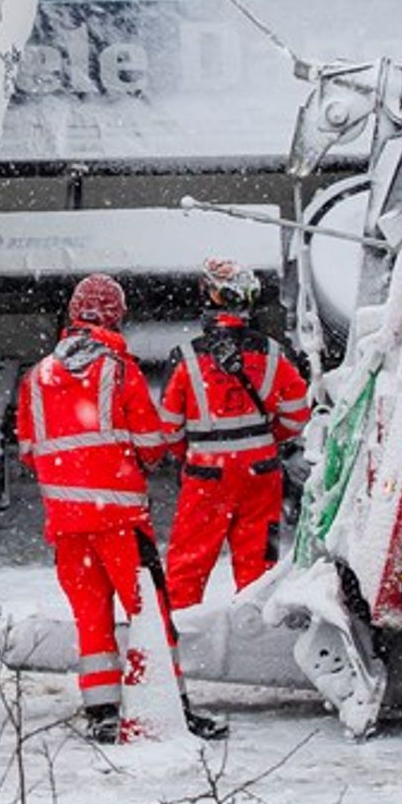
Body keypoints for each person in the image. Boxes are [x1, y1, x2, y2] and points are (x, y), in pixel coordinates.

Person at [15, 273, 220, 743]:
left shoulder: (37, 377)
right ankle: (172, 708)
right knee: (150, 616)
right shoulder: (118, 370)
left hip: (66, 527)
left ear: (73, 315)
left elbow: (29, 449)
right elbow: (151, 444)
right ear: (116, 317)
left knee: (91, 620)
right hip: (120, 521)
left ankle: (103, 713)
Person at [157, 258, 311, 611]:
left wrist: (191, 455)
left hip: (206, 476)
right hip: (263, 475)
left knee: (187, 566)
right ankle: (255, 636)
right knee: (260, 565)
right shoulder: (275, 354)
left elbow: (169, 428)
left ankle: (179, 638)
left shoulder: (185, 358)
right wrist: (265, 439)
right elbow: (297, 415)